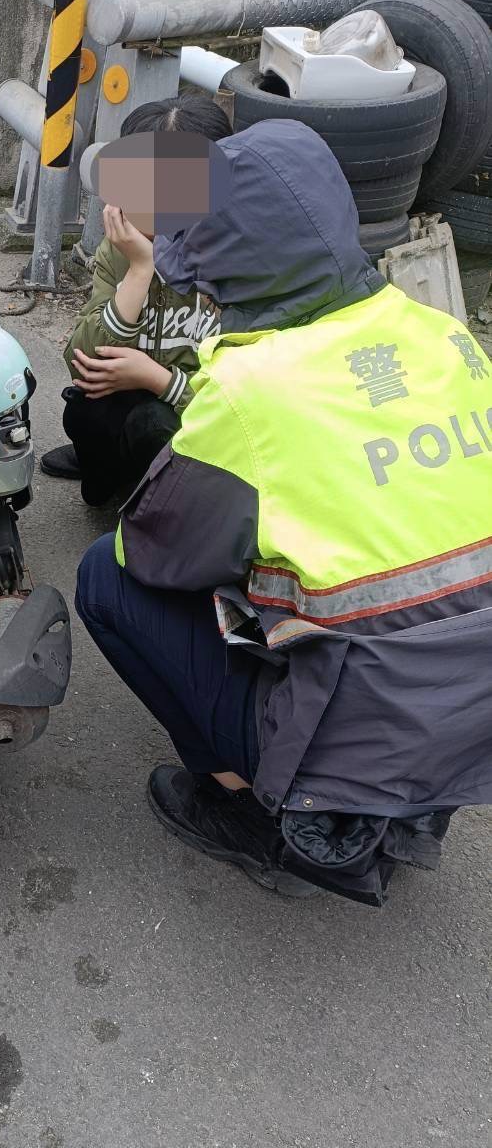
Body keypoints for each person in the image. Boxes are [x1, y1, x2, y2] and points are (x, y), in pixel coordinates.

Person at [75, 118, 492, 906]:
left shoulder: (250, 390)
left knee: (106, 577)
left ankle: (252, 814)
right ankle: (414, 804)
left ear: (226, 269)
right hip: (478, 701)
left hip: (357, 729)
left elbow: (155, 552)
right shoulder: (444, 336)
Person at [40, 94, 233, 506]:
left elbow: (250, 408)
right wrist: (141, 269)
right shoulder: (124, 248)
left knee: (152, 423)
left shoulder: (237, 262)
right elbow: (82, 360)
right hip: (131, 404)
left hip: (198, 427)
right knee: (84, 409)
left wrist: (159, 380)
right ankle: (110, 474)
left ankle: (166, 510)